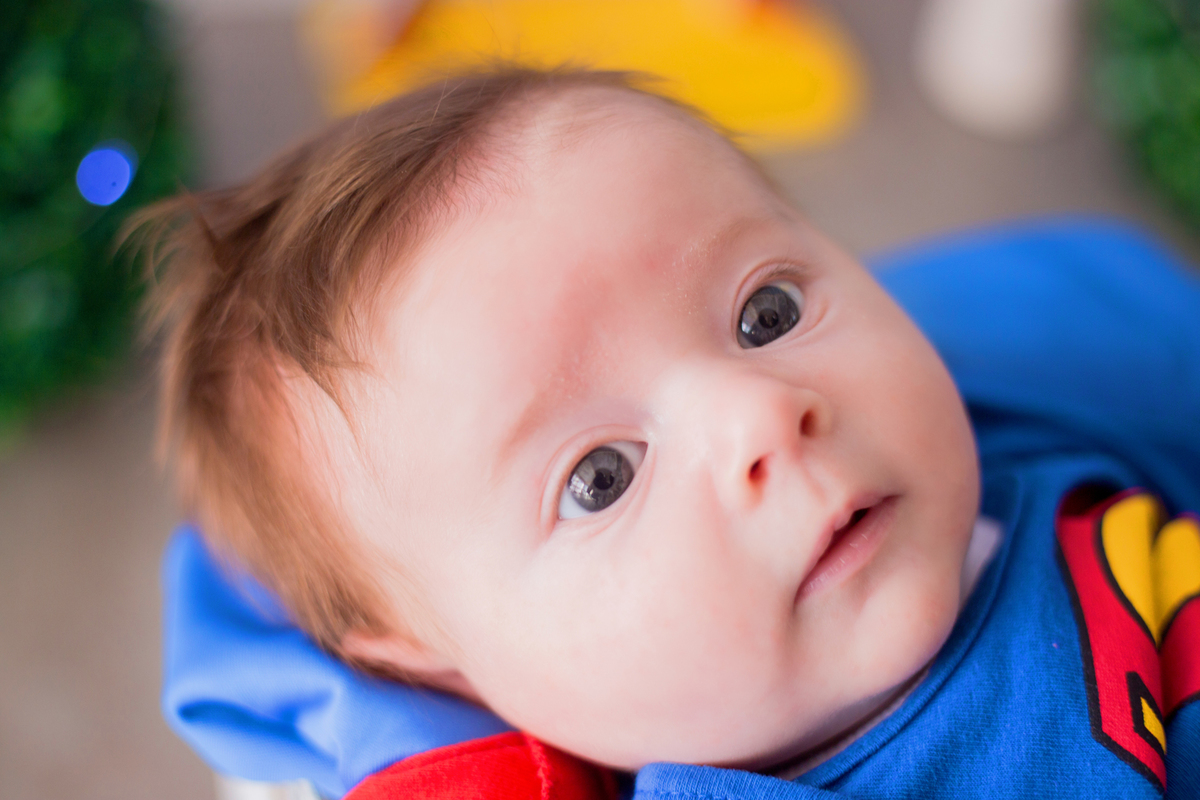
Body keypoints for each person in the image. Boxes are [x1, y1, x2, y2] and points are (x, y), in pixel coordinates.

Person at [137, 67, 1200, 799]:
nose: (762, 413)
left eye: (766, 314)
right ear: (444, 668)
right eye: (599, 476)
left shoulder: (1058, 467)